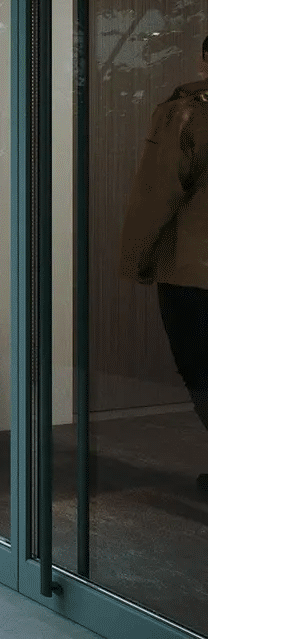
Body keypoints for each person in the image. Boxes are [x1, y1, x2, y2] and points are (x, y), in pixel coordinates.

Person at [119, 37, 208, 450]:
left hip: (195, 272)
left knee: (204, 373)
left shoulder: (186, 114)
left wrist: (137, 261)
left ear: (204, 60)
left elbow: (156, 196)